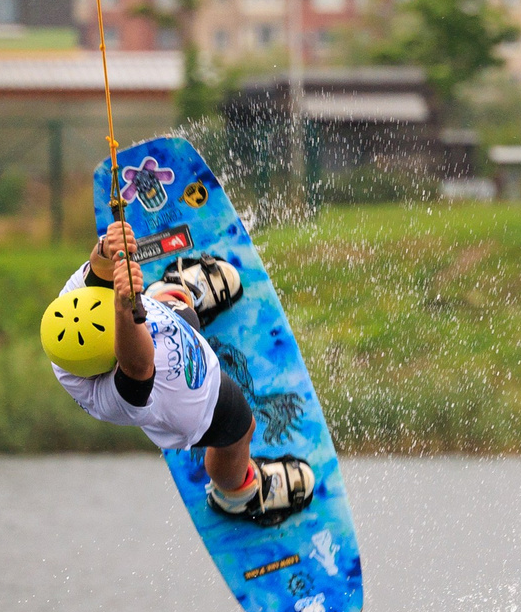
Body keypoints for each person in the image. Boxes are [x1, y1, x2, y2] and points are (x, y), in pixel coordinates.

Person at [40, 217, 315, 525]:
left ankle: (177, 292)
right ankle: (235, 493)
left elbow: (97, 270)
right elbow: (139, 364)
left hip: (166, 324)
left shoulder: (69, 306)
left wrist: (107, 250)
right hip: (199, 400)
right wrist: (124, 307)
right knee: (241, 430)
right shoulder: (106, 396)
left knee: (173, 304)